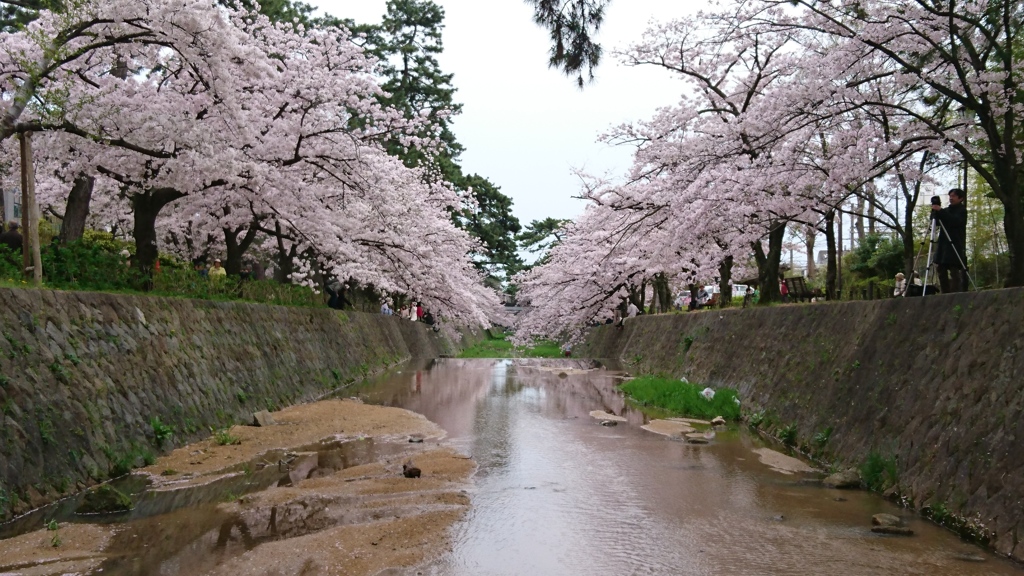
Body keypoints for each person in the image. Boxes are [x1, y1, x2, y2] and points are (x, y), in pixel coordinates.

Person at [932, 187, 968, 293]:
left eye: (954, 196)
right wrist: (935, 212)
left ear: (960, 198)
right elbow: (937, 222)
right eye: (950, 196)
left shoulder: (962, 211)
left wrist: (941, 211)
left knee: (954, 269)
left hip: (955, 243)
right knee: (941, 269)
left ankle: (956, 292)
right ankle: (945, 292)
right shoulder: (947, 210)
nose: (951, 198)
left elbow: (955, 221)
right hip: (944, 243)